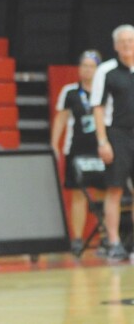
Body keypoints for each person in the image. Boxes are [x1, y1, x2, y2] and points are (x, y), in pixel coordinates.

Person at [53, 50, 102, 254]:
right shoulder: (70, 92)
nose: (87, 70)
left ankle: (106, 238)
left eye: (91, 66)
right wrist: (54, 145)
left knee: (104, 192)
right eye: (83, 65)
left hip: (100, 147)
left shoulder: (104, 90)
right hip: (76, 148)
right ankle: (78, 239)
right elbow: (61, 118)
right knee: (78, 194)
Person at [92, 26, 134, 260]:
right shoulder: (106, 71)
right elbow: (97, 107)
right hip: (116, 135)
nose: (127, 45)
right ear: (116, 45)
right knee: (115, 188)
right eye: (123, 41)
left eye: (131, 40)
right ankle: (114, 242)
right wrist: (102, 141)